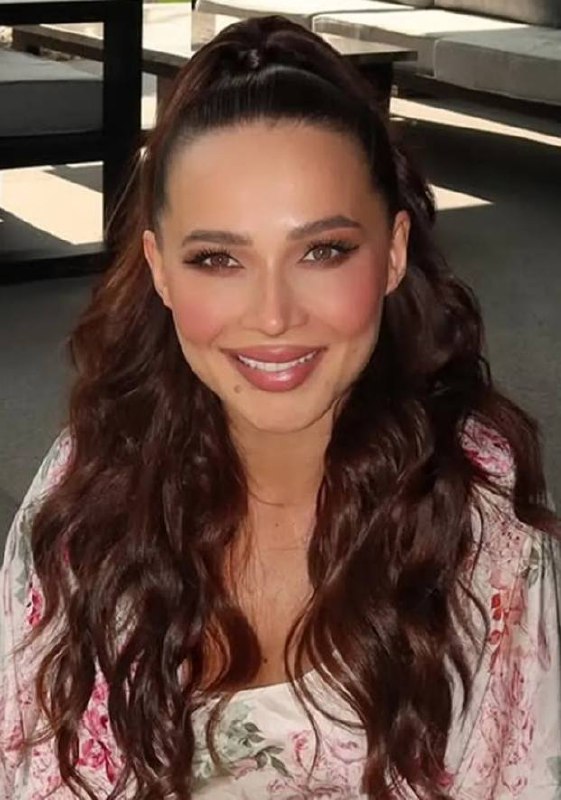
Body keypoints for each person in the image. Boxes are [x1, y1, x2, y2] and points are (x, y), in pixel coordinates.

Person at [1, 14, 560, 800]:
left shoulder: (479, 520)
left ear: (393, 252)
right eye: (217, 258)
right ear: (160, 270)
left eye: (322, 251)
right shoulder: (90, 478)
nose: (272, 316)